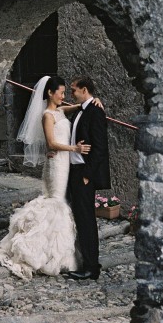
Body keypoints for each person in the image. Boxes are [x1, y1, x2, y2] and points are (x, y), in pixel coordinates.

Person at [0, 75, 93, 279]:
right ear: (50, 93)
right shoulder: (47, 115)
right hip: (56, 164)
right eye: (61, 92)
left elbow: (80, 107)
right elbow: (51, 144)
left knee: (61, 201)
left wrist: (93, 101)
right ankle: (41, 251)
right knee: (55, 201)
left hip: (65, 163)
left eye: (65, 92)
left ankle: (58, 253)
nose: (64, 96)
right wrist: (76, 148)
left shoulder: (60, 110)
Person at [65, 75, 111, 282]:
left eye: (73, 90)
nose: (70, 93)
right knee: (79, 218)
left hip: (84, 173)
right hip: (73, 171)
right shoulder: (80, 110)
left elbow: (100, 148)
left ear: (84, 90)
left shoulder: (95, 112)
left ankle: (92, 267)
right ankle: (83, 261)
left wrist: (87, 175)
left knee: (86, 221)